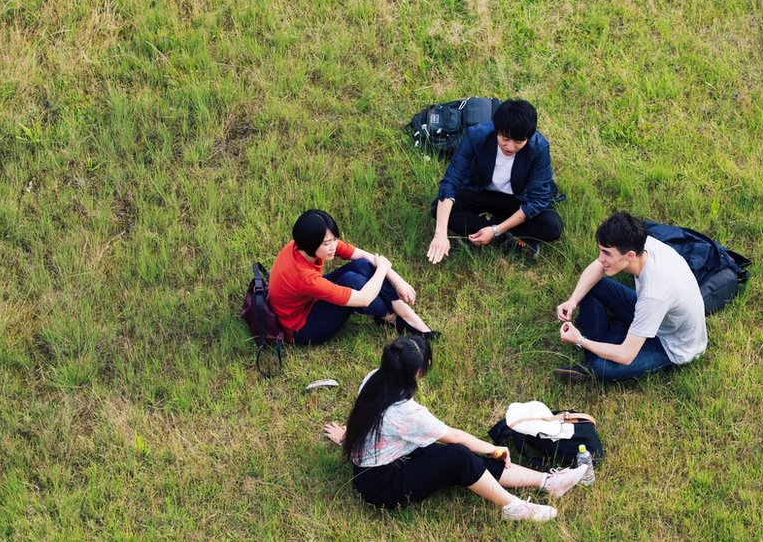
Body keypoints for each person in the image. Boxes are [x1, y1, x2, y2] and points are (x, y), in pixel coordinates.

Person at [323, 336, 587, 521]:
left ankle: (547, 482)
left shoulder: (375, 378)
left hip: (382, 464)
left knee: (461, 458)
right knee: (458, 455)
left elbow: (367, 418)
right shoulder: (407, 412)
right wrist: (495, 448)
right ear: (417, 372)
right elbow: (455, 436)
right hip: (382, 487)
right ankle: (513, 507)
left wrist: (347, 436)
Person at [554, 211, 708, 382]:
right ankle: (614, 335)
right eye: (601, 251)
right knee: (592, 287)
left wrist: (580, 340)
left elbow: (626, 356)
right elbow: (599, 266)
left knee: (600, 367)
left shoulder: (655, 293)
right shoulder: (641, 243)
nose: (600, 259)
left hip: (670, 344)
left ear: (630, 256)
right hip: (653, 314)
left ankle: (598, 354)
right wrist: (573, 300)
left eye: (607, 253)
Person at [269, 209, 438, 345]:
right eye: (327, 243)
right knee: (353, 282)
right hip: (303, 328)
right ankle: (393, 318)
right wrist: (383, 268)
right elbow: (363, 299)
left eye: (335, 239)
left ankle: (404, 313)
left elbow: (363, 256)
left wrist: (398, 280)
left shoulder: (302, 244)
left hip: (309, 299)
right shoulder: (305, 277)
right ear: (310, 243)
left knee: (363, 265)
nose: (333, 246)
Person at [427, 99, 563, 264]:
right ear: (496, 129)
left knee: (552, 226)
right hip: (480, 191)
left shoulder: (538, 148)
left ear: (529, 137)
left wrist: (495, 230)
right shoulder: (476, 136)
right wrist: (440, 234)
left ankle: (490, 232)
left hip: (517, 198)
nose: (510, 147)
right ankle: (509, 238)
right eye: (505, 138)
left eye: (518, 141)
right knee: (437, 208)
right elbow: (451, 182)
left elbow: (537, 200)